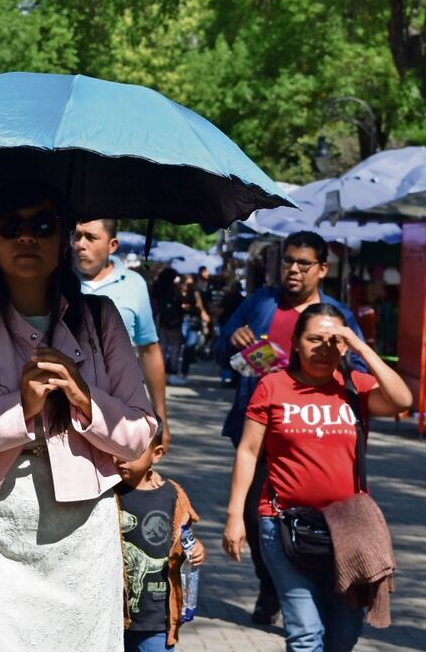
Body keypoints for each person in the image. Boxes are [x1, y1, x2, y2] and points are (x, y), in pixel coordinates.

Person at [0, 181, 157, 649]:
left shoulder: (100, 318)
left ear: (63, 238)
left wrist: (86, 400)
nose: (27, 237)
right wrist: (19, 409)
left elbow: (138, 435)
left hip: (82, 538)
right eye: (11, 226)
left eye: (42, 225)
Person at [222, 303, 410, 650]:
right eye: (313, 339)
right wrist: (235, 516)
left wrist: (361, 347)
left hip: (347, 531)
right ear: (295, 342)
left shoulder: (355, 386)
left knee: (343, 635)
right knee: (306, 634)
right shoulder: (273, 386)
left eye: (334, 341)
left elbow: (402, 399)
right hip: (282, 524)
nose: (324, 349)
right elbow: (248, 451)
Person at [217, 230, 367, 625]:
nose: (294, 270)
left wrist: (337, 359)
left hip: (315, 437)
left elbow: (361, 371)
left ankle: (303, 589)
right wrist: (233, 340)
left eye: (304, 263)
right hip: (260, 430)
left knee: (310, 518)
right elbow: (220, 350)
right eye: (288, 261)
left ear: (321, 269)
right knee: (254, 515)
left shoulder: (337, 316)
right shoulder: (260, 303)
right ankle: (271, 584)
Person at [73, 218, 171, 443]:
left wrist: (161, 415)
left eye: (91, 237)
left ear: (112, 245)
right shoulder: (55, 281)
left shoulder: (134, 284)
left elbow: (149, 350)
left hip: (119, 411)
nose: (80, 244)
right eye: (76, 236)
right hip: (66, 411)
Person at [115, 428, 205, 651]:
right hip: (113, 613)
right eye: (116, 448)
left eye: (133, 451)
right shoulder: (108, 493)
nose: (121, 458)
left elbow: (183, 535)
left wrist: (196, 549)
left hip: (156, 615)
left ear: (157, 454)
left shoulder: (172, 494)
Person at [152, 268, 185, 385]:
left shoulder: (157, 287)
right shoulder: (172, 289)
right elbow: (179, 305)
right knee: (174, 349)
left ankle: (161, 374)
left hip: (161, 321)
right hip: (173, 322)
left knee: (163, 348)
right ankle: (172, 373)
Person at [178, 275, 209, 380]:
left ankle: (183, 372)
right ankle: (172, 371)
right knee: (177, 346)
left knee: (189, 347)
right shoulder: (178, 292)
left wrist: (204, 315)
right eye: (187, 284)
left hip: (194, 322)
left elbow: (200, 307)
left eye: (191, 284)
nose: (189, 286)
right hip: (180, 321)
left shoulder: (196, 294)